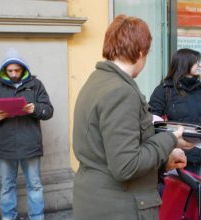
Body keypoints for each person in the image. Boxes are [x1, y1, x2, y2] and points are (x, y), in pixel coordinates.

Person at [72, 15, 193, 220]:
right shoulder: (121, 92)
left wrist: (164, 160)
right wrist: (171, 139)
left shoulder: (97, 81)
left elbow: (111, 152)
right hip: (118, 209)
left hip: (96, 201)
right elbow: (126, 166)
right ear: (140, 53)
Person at [0, 48, 53, 220]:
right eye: (10, 71)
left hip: (30, 144)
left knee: (35, 185)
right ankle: (8, 218)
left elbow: (49, 110)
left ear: (23, 68)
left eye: (17, 70)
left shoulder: (36, 85)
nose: (14, 74)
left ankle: (37, 217)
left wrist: (35, 108)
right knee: (7, 186)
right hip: (6, 145)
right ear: (4, 70)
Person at [149, 48, 201, 175]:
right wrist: (162, 148)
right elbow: (152, 121)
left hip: (195, 156)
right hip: (172, 155)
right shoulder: (165, 90)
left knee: (191, 193)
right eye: (196, 62)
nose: (200, 65)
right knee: (172, 193)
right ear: (184, 63)